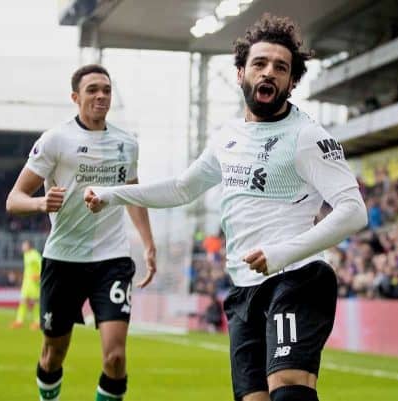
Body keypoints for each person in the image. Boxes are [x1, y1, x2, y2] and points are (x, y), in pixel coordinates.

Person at [84, 15, 367, 401]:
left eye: (280, 68)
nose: (269, 73)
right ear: (240, 73)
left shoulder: (307, 136)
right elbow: (183, 189)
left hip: (298, 278)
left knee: (288, 388)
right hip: (243, 289)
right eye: (260, 64)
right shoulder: (228, 137)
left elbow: (353, 210)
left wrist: (281, 252)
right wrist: (114, 193)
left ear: (292, 82)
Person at [6, 64, 157, 401]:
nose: (101, 95)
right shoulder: (55, 140)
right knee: (53, 354)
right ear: (76, 97)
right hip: (63, 260)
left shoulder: (127, 144)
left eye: (106, 89)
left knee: (116, 357)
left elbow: (132, 194)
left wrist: (148, 244)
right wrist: (42, 203)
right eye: (92, 90)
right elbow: (13, 200)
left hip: (112, 259)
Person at [11, 240, 42, 330]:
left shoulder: (35, 254)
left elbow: (42, 265)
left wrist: (39, 275)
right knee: (23, 301)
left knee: (35, 302)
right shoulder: (26, 255)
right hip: (27, 282)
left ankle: (37, 322)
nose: (22, 247)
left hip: (34, 282)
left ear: (29, 246)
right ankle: (19, 321)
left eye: (24, 245)